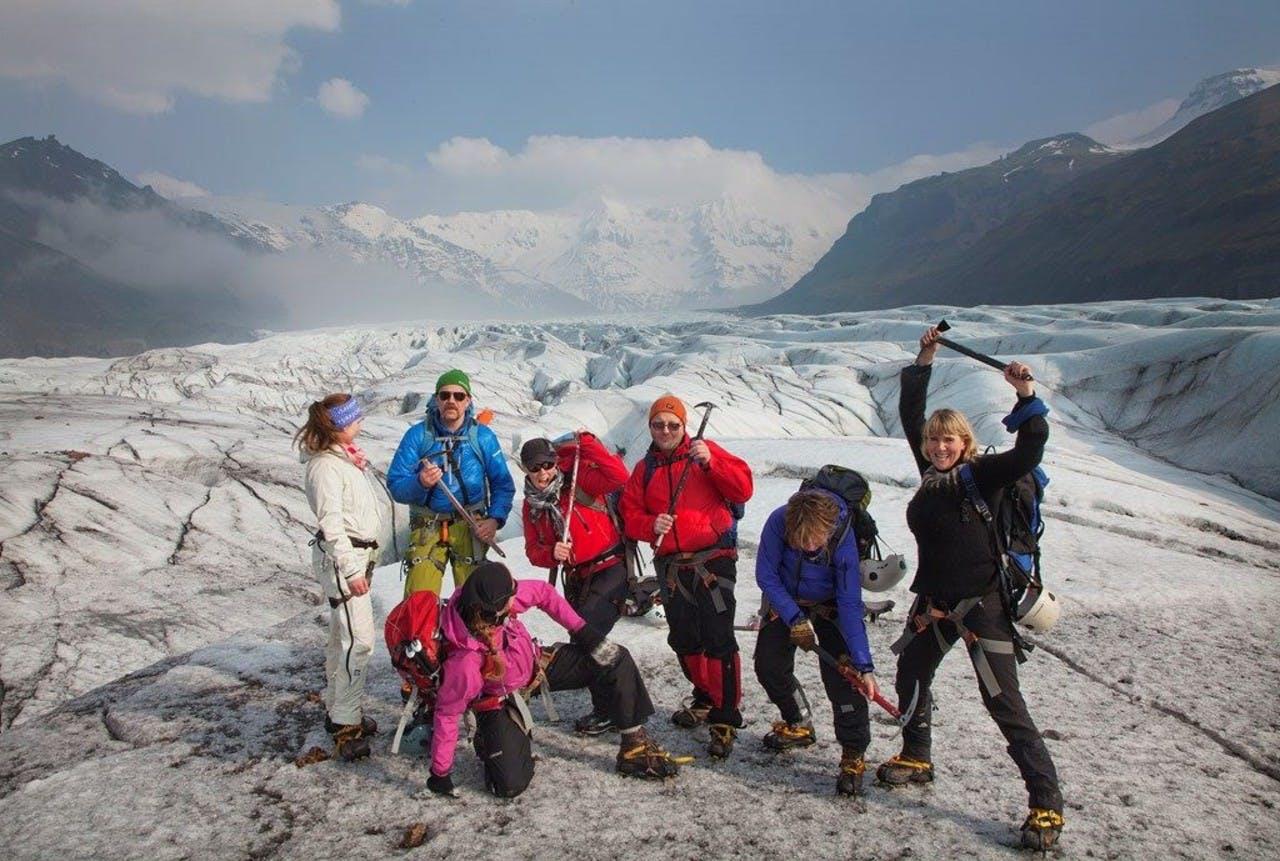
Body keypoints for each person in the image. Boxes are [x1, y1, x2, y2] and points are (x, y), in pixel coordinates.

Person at [880, 325, 1064, 850]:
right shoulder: (932, 475)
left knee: (1004, 702)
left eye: (948, 439)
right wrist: (924, 358)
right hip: (933, 603)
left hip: (982, 606)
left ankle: (1046, 804)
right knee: (912, 672)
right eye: (933, 440)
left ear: (965, 443)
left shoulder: (983, 475)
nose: (938, 445)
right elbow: (909, 413)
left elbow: (1030, 451)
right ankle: (917, 755)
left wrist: (1025, 395)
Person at [425, 562, 684, 798]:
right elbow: (447, 713)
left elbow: (543, 593)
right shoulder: (465, 663)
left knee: (614, 657)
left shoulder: (490, 603)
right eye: (512, 592)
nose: (517, 593)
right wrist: (440, 773)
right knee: (510, 785)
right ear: (496, 611)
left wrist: (584, 633)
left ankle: (634, 747)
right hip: (498, 702)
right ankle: (489, 736)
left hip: (536, 667)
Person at [620, 394, 753, 758]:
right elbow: (629, 514)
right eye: (658, 424)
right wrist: (651, 524)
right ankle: (706, 696)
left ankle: (726, 715)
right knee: (684, 638)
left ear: (684, 426)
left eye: (672, 424)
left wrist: (712, 465)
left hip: (713, 561)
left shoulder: (704, 453)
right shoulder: (643, 469)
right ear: (649, 427)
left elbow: (743, 488)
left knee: (718, 636)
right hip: (672, 566)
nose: (665, 430)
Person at [754, 489, 878, 800]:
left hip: (832, 604)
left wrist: (863, 664)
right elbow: (766, 575)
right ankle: (798, 720)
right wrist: (795, 618)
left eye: (815, 540)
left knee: (842, 678)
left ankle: (853, 753)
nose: (809, 546)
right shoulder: (778, 522)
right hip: (786, 598)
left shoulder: (842, 537)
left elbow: (850, 603)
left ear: (828, 530)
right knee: (768, 665)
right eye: (802, 541)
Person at [520, 431, 631, 735]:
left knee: (588, 635)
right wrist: (550, 553)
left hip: (610, 568)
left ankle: (609, 710)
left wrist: (587, 443)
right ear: (526, 470)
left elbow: (619, 476)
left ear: (557, 462)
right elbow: (532, 550)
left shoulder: (581, 482)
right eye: (536, 467)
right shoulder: (531, 507)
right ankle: (608, 704)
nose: (543, 472)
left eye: (548, 464)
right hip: (576, 578)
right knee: (584, 640)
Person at [296, 394, 383, 761]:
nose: (361, 422)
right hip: (345, 562)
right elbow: (331, 523)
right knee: (358, 641)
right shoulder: (326, 468)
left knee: (341, 637)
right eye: (356, 418)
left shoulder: (340, 460)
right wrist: (351, 569)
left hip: (356, 557)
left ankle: (339, 710)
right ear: (341, 424)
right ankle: (346, 723)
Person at [387, 369, 516, 598]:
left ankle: (468, 633)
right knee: (420, 601)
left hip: (471, 525)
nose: (451, 401)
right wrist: (420, 483)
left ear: (468, 401)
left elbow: (502, 484)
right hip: (427, 524)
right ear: (436, 399)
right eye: (445, 395)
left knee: (475, 600)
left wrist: (494, 520)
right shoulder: (417, 436)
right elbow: (396, 484)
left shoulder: (482, 437)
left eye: (458, 396)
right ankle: (421, 634)